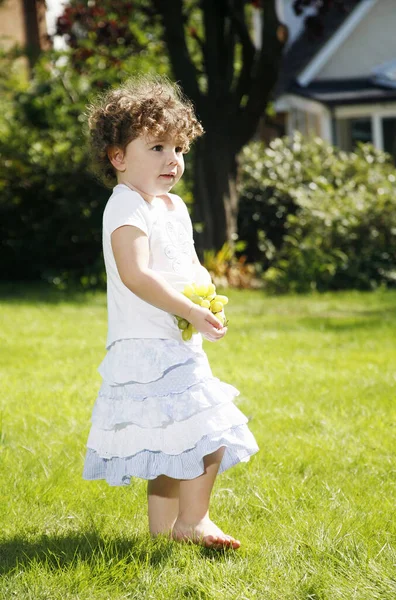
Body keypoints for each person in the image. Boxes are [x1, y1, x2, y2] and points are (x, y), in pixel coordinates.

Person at [82, 74, 258, 549]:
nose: (173, 160)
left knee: (169, 442)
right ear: (117, 157)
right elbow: (137, 274)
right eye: (157, 147)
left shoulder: (172, 207)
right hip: (148, 346)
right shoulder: (125, 208)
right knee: (210, 430)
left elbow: (185, 263)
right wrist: (189, 310)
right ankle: (193, 520)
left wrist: (204, 296)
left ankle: (164, 535)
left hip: (177, 339)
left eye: (179, 149)